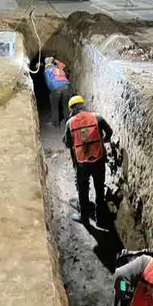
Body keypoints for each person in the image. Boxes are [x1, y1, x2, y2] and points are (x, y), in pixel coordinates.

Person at [62, 95, 114, 225]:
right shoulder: (97, 117)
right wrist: (103, 140)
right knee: (99, 189)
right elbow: (110, 132)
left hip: (82, 164)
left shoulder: (70, 123)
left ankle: (84, 218)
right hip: (99, 159)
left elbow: (68, 144)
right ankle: (100, 218)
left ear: (72, 109)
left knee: (83, 190)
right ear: (83, 106)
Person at [44, 56, 72, 128]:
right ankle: (69, 123)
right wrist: (55, 60)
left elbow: (48, 83)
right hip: (66, 86)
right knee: (66, 106)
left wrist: (52, 91)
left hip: (56, 88)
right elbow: (64, 66)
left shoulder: (47, 70)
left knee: (54, 106)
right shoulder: (58, 68)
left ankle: (55, 123)